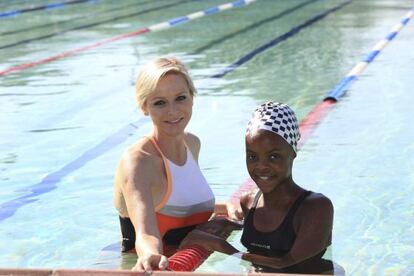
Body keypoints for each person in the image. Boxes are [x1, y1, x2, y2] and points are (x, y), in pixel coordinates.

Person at [113, 57, 237, 271]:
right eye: (159, 102)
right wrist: (151, 255)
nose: (172, 111)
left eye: (180, 98)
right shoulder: (137, 162)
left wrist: (227, 206)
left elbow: (179, 205)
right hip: (144, 267)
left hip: (187, 262)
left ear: (192, 97)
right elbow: (146, 233)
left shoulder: (192, 144)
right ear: (144, 106)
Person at [180, 102, 336, 274]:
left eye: (273, 156)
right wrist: (226, 224)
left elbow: (284, 263)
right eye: (252, 156)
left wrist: (220, 245)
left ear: (293, 153)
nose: (261, 166)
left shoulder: (315, 208)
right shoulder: (248, 202)